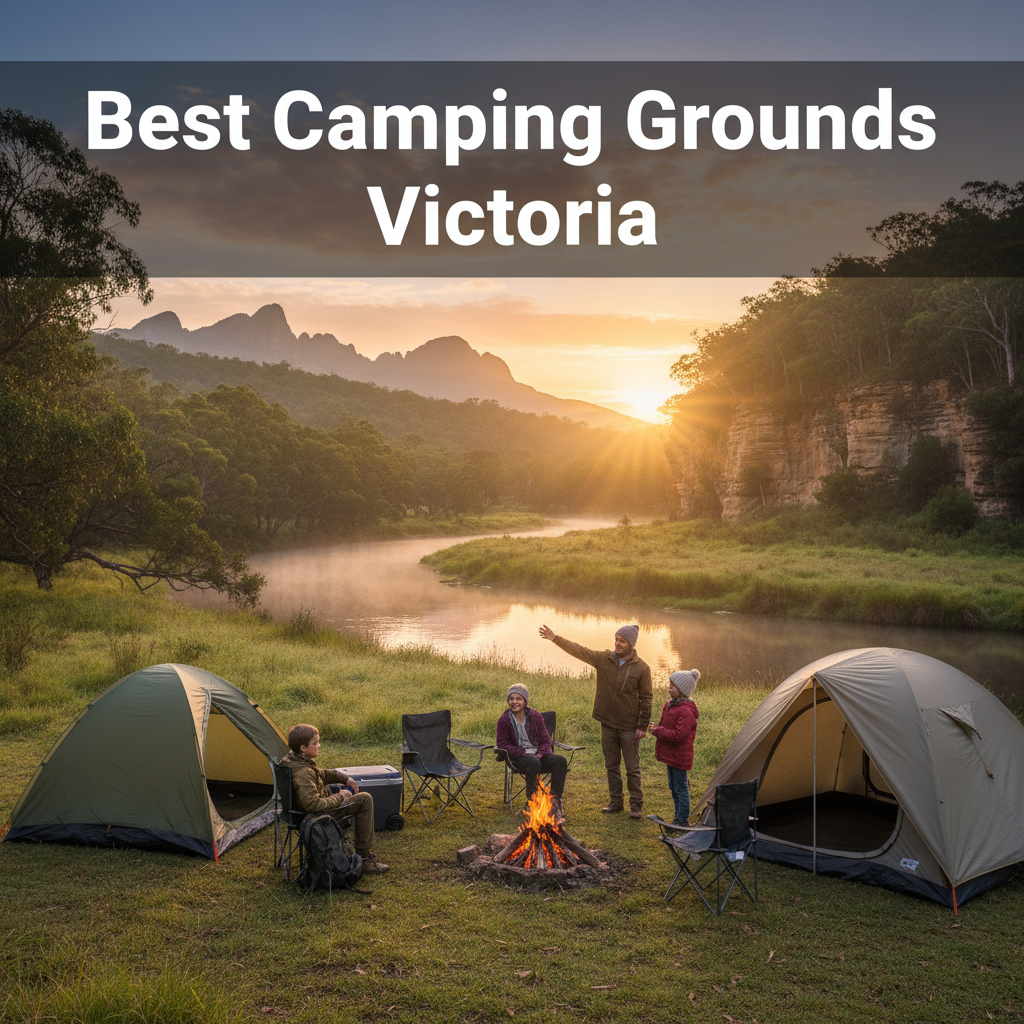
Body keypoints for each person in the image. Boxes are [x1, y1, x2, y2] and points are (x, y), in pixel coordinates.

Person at [539, 622, 652, 819]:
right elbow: (579, 651)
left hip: (628, 726)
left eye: (622, 641)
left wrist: (642, 726)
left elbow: (647, 698)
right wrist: (555, 638)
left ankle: (636, 806)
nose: (617, 644)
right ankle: (615, 801)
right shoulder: (603, 659)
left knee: (632, 769)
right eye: (616, 639)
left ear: (631, 644)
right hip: (607, 723)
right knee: (611, 765)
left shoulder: (642, 668)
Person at [279, 723, 389, 874]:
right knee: (364, 799)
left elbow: (320, 774)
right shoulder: (303, 772)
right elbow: (313, 804)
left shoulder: (292, 760)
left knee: (339, 787)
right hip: (314, 817)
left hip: (296, 813)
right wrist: (340, 796)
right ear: (303, 748)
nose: (319, 745)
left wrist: (345, 778)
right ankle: (363, 859)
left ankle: (358, 853)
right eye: (315, 743)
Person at [495, 683, 568, 820]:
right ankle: (533, 802)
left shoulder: (535, 716)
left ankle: (553, 801)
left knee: (560, 761)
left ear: (525, 701)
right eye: (511, 699)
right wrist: (524, 752)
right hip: (518, 758)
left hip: (539, 754)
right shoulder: (504, 720)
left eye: (518, 698)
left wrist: (540, 754)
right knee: (533, 761)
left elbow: (546, 740)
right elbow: (503, 745)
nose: (514, 702)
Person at [647, 670, 700, 826]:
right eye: (669, 685)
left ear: (683, 690)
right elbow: (666, 727)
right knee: (673, 787)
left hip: (680, 756)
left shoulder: (686, 711)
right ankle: (677, 817)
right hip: (671, 755)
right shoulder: (669, 705)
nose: (669, 689)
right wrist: (657, 727)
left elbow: (678, 735)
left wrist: (658, 731)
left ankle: (682, 820)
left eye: (673, 687)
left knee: (681, 788)